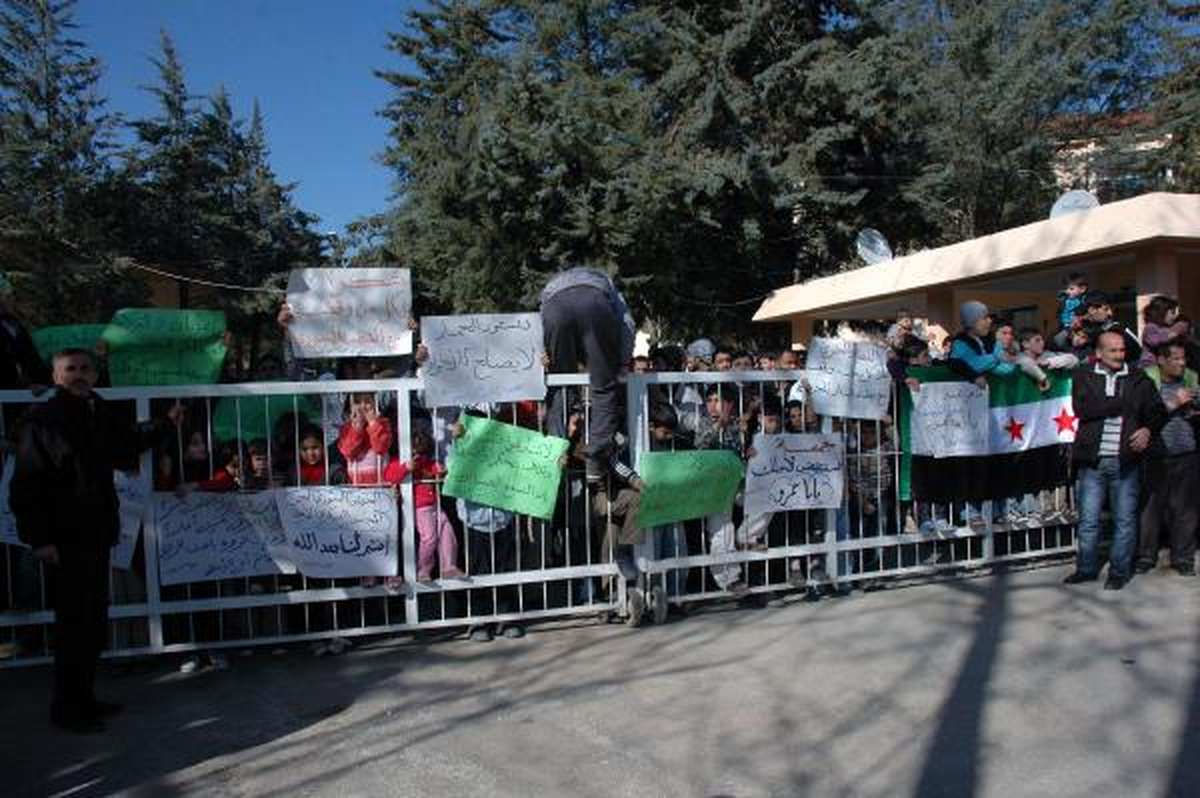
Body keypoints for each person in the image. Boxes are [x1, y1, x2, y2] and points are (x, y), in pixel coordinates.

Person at [9, 348, 182, 733]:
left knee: (92, 623)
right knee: (73, 626)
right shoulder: (43, 422)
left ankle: (84, 698)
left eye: (85, 369)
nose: (79, 375)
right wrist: (40, 539)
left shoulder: (98, 413)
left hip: (97, 532)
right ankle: (68, 709)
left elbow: (125, 444)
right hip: (63, 538)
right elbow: (26, 488)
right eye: (70, 370)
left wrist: (164, 425)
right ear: (56, 377)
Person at [1065, 332, 1166, 591]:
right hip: (1092, 461)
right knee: (1088, 520)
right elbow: (1083, 409)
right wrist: (1120, 404)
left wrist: (1147, 430)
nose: (1119, 355)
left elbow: (1157, 412)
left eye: (1121, 350)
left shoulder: (1137, 378)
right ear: (1099, 353)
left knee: (1124, 520)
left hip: (1125, 460)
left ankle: (1119, 572)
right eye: (1113, 351)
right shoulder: (1084, 375)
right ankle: (1086, 569)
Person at [540, 267, 635, 483]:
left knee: (560, 385)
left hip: (555, 306)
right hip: (596, 303)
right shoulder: (607, 283)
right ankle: (596, 459)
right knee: (603, 387)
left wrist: (541, 354)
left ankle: (556, 450)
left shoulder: (553, 283)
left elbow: (540, 323)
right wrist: (620, 362)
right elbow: (627, 324)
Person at [1136, 342, 1198, 576]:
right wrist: (1175, 403)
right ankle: (1145, 556)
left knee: (1185, 510)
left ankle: (1183, 558)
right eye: (1176, 359)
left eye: (1183, 359)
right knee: (1150, 509)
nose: (1182, 363)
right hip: (1155, 455)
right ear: (1161, 360)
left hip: (1186, 454)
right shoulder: (1148, 385)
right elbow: (1145, 414)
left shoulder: (1190, 382)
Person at [385, 430, 465, 582]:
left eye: (425, 453)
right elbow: (389, 476)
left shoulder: (427, 462)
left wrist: (441, 471)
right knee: (429, 538)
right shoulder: (398, 461)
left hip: (435, 504)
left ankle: (449, 566)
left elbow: (436, 469)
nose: (420, 457)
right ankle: (423, 570)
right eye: (417, 452)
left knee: (447, 531)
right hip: (419, 507)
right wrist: (405, 468)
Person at [0, 271, 50, 390]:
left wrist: (40, 382)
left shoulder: (14, 324)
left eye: (11, 296)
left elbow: (30, 357)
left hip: (11, 391)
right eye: (8, 296)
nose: (12, 300)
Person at [948, 301, 1016, 382]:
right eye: (985, 318)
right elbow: (973, 364)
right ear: (971, 323)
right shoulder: (960, 344)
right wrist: (995, 358)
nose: (990, 321)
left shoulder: (990, 339)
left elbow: (1006, 367)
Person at [337, 392, 392, 485]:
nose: (363, 406)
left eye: (367, 401)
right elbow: (348, 451)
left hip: (381, 481)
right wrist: (357, 428)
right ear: (350, 407)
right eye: (357, 402)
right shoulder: (347, 428)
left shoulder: (383, 424)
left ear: (376, 405)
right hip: (356, 482)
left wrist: (373, 424)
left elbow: (380, 448)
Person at [1138, 295, 1192, 368]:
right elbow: (1156, 341)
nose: (1174, 316)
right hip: (1149, 367)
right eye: (1172, 313)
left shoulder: (1167, 328)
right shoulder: (1150, 327)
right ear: (1161, 312)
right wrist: (1175, 331)